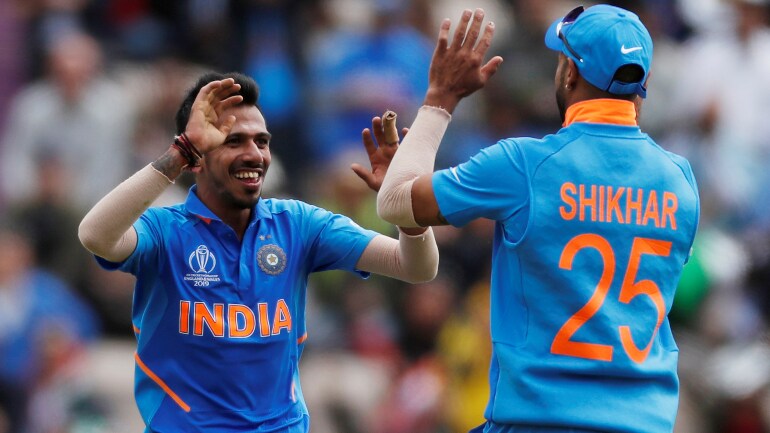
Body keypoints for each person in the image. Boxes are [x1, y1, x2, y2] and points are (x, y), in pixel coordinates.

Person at [366, 6, 700, 433]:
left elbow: (395, 201)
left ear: (569, 75)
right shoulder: (681, 180)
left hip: (537, 422)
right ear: (644, 84)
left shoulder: (524, 165)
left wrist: (440, 99)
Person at [77, 71, 439, 432]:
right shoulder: (165, 230)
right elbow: (95, 235)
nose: (255, 155)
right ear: (197, 156)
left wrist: (405, 205)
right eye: (234, 141)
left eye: (262, 142)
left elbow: (415, 267)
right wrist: (179, 153)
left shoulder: (298, 224)